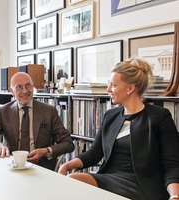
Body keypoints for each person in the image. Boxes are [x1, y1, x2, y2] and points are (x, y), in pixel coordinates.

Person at [58, 58, 179, 200]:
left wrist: (174, 195)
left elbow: (172, 163)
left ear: (130, 88)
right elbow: (95, 153)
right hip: (109, 177)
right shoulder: (111, 115)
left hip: (142, 183)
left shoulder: (159, 116)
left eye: (113, 85)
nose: (108, 89)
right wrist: (67, 165)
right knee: (72, 179)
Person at [0, 72, 74, 171]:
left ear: (33, 87)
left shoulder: (49, 111)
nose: (25, 91)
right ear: (12, 91)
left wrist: (45, 151)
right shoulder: (4, 111)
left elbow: (68, 143)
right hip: (11, 166)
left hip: (41, 167)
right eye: (19, 87)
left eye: (28, 86)